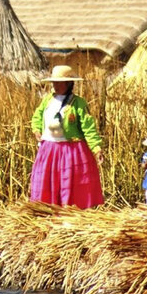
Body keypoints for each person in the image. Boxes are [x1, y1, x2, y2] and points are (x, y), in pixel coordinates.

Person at [30, 65, 104, 208]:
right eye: (54, 82)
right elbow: (37, 116)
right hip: (49, 149)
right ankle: (48, 210)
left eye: (59, 82)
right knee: (47, 181)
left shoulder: (78, 103)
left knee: (68, 182)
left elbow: (88, 127)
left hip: (71, 150)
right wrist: (36, 129)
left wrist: (96, 148)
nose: (55, 86)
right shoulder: (47, 100)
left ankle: (69, 211)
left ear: (69, 83)